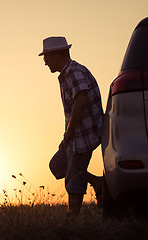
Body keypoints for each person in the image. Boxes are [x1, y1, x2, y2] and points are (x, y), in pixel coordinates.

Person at [39, 36, 103, 218]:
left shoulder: (73, 72)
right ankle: (97, 184)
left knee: (74, 177)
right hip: (77, 133)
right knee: (58, 165)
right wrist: (67, 135)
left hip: (84, 133)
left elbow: (81, 100)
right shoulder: (69, 73)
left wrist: (69, 133)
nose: (45, 62)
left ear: (57, 54)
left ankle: (72, 218)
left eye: (46, 57)